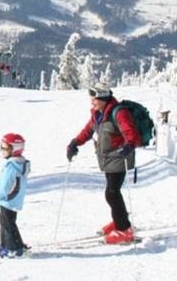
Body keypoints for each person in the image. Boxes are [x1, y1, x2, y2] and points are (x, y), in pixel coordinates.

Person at [66, 82, 141, 244]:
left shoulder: (119, 112)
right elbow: (88, 131)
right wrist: (75, 143)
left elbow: (130, 132)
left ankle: (124, 230)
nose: (92, 101)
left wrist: (129, 145)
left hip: (120, 157)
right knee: (112, 193)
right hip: (108, 158)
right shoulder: (98, 113)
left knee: (112, 193)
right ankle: (119, 220)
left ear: (103, 98)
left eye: (94, 98)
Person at [0, 132, 30, 258]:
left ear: (15, 149)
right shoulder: (18, 164)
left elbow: (4, 188)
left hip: (8, 198)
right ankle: (5, 245)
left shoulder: (12, 166)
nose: (2, 150)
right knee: (6, 221)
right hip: (13, 199)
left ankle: (15, 248)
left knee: (8, 223)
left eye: (5, 147)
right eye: (1, 146)